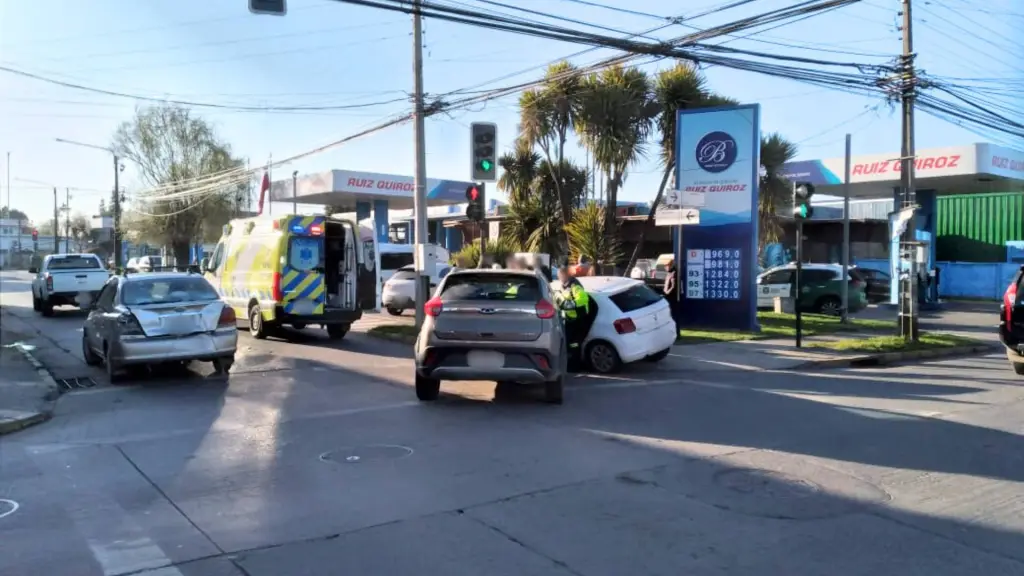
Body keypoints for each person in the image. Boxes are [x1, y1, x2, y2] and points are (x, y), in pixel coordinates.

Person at [555, 264, 592, 362]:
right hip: (569, 319)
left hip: (579, 319)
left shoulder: (575, 285)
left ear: (566, 275)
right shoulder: (563, 285)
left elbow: (583, 299)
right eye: (559, 276)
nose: (559, 278)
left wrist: (569, 304)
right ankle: (570, 362)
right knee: (569, 342)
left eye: (561, 275)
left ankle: (576, 364)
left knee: (575, 344)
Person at [663, 261, 681, 334]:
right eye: (665, 266)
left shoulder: (673, 273)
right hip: (667, 296)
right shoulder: (668, 274)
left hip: (671, 297)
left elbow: (673, 286)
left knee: (673, 314)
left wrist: (667, 292)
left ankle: (675, 331)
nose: (666, 267)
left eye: (667, 266)